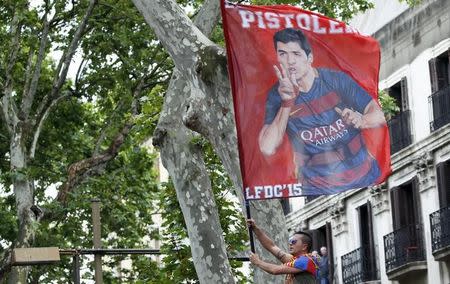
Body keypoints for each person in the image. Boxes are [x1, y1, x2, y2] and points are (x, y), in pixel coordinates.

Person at [258, 28, 386, 194]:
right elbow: (267, 147)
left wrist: (362, 120)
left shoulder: (335, 80)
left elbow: (379, 114)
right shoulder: (277, 95)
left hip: (365, 179)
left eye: (296, 54)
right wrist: (286, 103)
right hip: (317, 191)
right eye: (282, 53)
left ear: (309, 58)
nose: (290, 61)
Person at [247, 219, 319, 284]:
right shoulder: (294, 260)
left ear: (304, 247)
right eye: (290, 241)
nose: (290, 243)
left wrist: (258, 262)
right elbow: (271, 246)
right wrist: (255, 229)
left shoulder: (306, 261)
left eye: (294, 241)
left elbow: (275, 270)